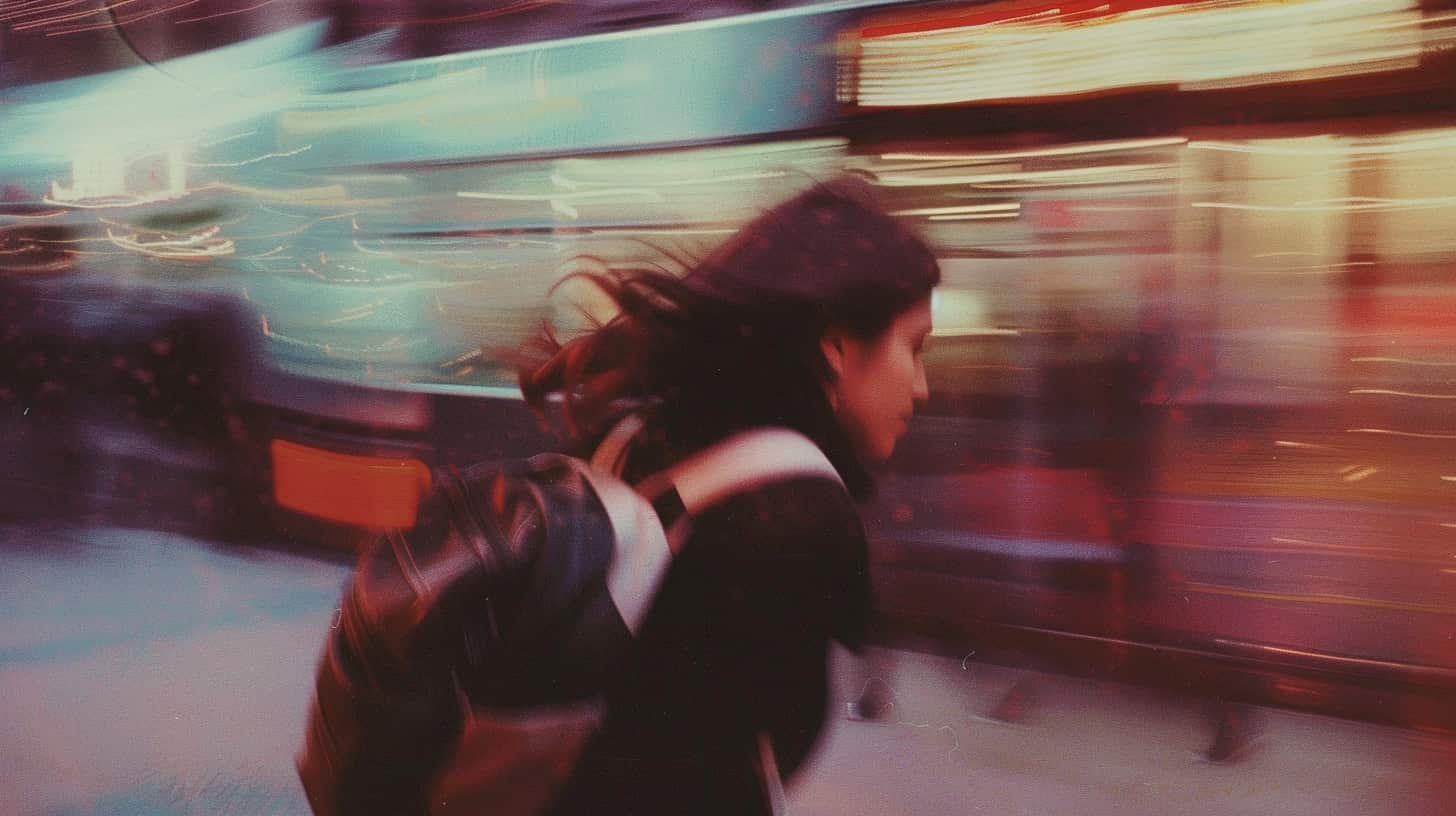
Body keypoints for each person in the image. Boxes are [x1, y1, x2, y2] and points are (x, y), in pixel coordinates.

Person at [516, 177, 940, 815]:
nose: (923, 386)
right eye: (913, 348)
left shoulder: (633, 438)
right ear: (836, 346)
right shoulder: (799, 514)